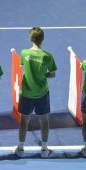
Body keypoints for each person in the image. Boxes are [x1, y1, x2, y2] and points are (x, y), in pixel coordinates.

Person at [17, 27, 57, 157]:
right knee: (44, 121)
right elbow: (52, 74)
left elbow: (24, 67)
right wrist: (42, 75)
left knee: (24, 121)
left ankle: (21, 149)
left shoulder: (24, 53)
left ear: (30, 39)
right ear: (42, 39)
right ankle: (44, 149)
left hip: (27, 93)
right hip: (42, 93)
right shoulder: (47, 56)